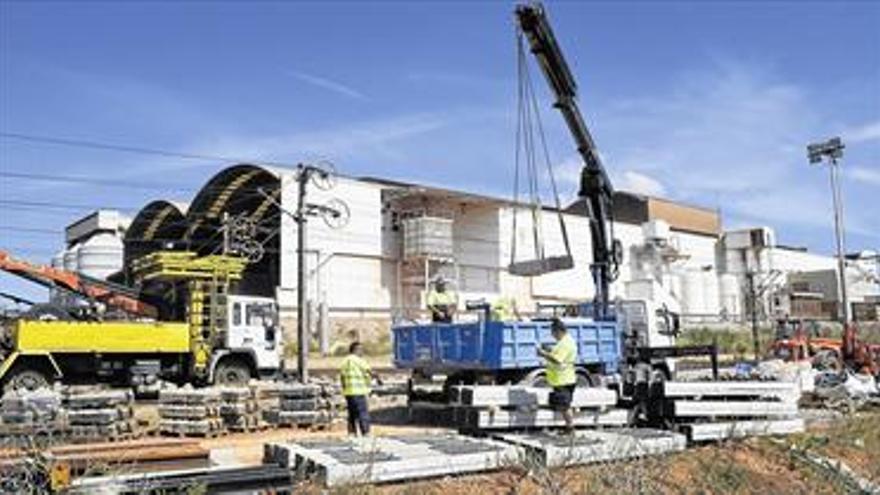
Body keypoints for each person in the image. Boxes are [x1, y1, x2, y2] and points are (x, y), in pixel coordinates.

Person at [537, 318, 577, 433]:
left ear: (558, 331)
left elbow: (557, 360)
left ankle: (570, 428)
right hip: (565, 378)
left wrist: (543, 354)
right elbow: (558, 354)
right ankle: (568, 427)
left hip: (563, 379)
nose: (552, 335)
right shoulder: (566, 341)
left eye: (553, 333)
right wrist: (549, 349)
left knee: (565, 406)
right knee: (564, 405)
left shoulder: (564, 344)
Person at [339, 342, 377, 437]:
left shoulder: (345, 361)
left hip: (349, 392)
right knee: (362, 413)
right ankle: (365, 432)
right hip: (359, 391)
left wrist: (344, 389)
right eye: (360, 350)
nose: (362, 352)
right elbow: (369, 370)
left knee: (351, 413)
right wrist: (377, 377)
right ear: (356, 350)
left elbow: (342, 377)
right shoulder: (359, 360)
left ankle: (352, 432)